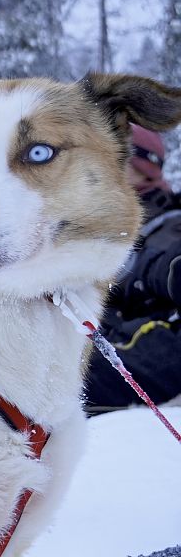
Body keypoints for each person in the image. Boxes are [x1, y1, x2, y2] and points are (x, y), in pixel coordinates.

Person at [84, 124, 181, 409]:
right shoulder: (90, 224)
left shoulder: (167, 224)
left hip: (142, 352)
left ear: (143, 167)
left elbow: (165, 259)